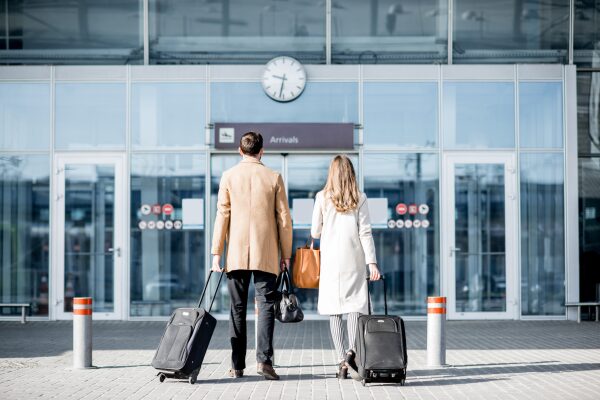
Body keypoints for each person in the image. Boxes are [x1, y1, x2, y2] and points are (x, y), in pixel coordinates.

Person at [211, 131, 292, 380]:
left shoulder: (229, 176)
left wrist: (216, 253)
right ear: (262, 151)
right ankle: (264, 362)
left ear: (240, 150)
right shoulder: (273, 177)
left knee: (236, 308)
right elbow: (284, 220)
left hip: (235, 253)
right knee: (266, 306)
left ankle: (237, 366)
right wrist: (286, 254)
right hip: (265, 252)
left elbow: (222, 216)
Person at [310, 154, 381, 379]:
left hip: (331, 262)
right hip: (354, 259)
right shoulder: (359, 197)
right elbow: (365, 232)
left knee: (334, 310)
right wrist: (372, 263)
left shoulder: (322, 197)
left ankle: (342, 361)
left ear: (332, 173)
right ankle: (352, 352)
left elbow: (315, 232)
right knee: (354, 307)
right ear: (351, 173)